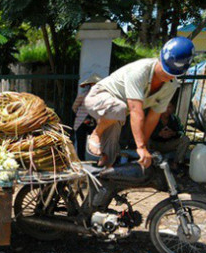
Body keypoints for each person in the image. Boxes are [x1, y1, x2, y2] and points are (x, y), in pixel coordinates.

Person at [84, 37, 195, 169]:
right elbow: (136, 111)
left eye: (173, 74)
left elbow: (153, 117)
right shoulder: (140, 71)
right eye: (165, 70)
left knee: (109, 157)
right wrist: (140, 147)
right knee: (119, 108)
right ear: (160, 59)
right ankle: (96, 134)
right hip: (100, 96)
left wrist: (144, 147)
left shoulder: (171, 85)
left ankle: (104, 182)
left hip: (118, 114)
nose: (168, 76)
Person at [148, 100, 190, 169]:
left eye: (169, 107)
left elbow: (181, 132)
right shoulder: (154, 118)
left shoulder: (175, 119)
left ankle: (176, 163)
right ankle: (149, 163)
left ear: (173, 108)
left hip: (169, 144)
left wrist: (174, 133)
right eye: (165, 107)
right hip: (155, 145)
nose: (167, 110)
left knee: (185, 139)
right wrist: (159, 134)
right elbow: (147, 132)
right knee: (147, 140)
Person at [71, 73, 102, 160]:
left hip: (95, 121)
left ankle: (94, 158)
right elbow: (74, 107)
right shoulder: (82, 95)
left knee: (94, 140)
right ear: (90, 84)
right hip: (81, 121)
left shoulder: (101, 96)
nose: (94, 86)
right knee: (81, 141)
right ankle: (81, 160)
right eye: (93, 84)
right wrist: (80, 115)